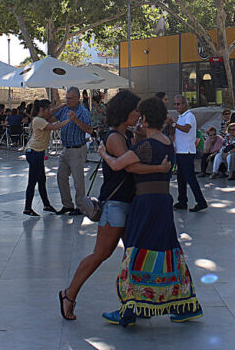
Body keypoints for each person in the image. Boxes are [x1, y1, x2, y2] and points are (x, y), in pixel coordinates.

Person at [60, 91, 170, 321]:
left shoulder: (128, 135)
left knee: (134, 256)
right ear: (125, 111)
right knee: (101, 254)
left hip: (130, 203)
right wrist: (159, 169)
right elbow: (129, 167)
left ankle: (133, 304)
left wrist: (139, 138)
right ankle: (69, 294)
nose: (139, 115)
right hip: (116, 205)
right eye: (136, 110)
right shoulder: (114, 138)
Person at [98, 96, 203, 327]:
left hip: (145, 203)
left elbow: (117, 165)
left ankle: (129, 310)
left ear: (144, 119)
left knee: (136, 251)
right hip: (163, 201)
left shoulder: (146, 146)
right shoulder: (166, 142)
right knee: (168, 249)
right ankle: (187, 305)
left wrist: (104, 153)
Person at [53, 86, 93, 216]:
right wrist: (59, 106)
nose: (68, 101)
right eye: (66, 98)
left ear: (77, 98)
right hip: (66, 148)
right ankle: (67, 205)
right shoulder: (64, 109)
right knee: (61, 177)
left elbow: (89, 130)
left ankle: (80, 206)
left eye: (70, 98)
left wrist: (75, 120)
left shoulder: (83, 111)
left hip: (77, 149)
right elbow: (49, 118)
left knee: (78, 180)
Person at [23, 100, 66, 216]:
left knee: (42, 180)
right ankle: (27, 208)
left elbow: (53, 113)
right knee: (32, 181)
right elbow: (54, 126)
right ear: (42, 109)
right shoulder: (38, 120)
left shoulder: (42, 119)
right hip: (34, 152)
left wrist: (61, 106)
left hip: (39, 153)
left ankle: (46, 205)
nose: (50, 111)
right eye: (48, 109)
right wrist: (69, 120)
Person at [172, 95, 207, 212]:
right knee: (181, 178)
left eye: (178, 104)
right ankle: (182, 201)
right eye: (175, 104)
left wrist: (173, 124)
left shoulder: (189, 116)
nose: (176, 106)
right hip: (181, 151)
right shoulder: (181, 116)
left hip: (187, 151)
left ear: (185, 105)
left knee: (190, 178)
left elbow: (186, 129)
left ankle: (201, 201)